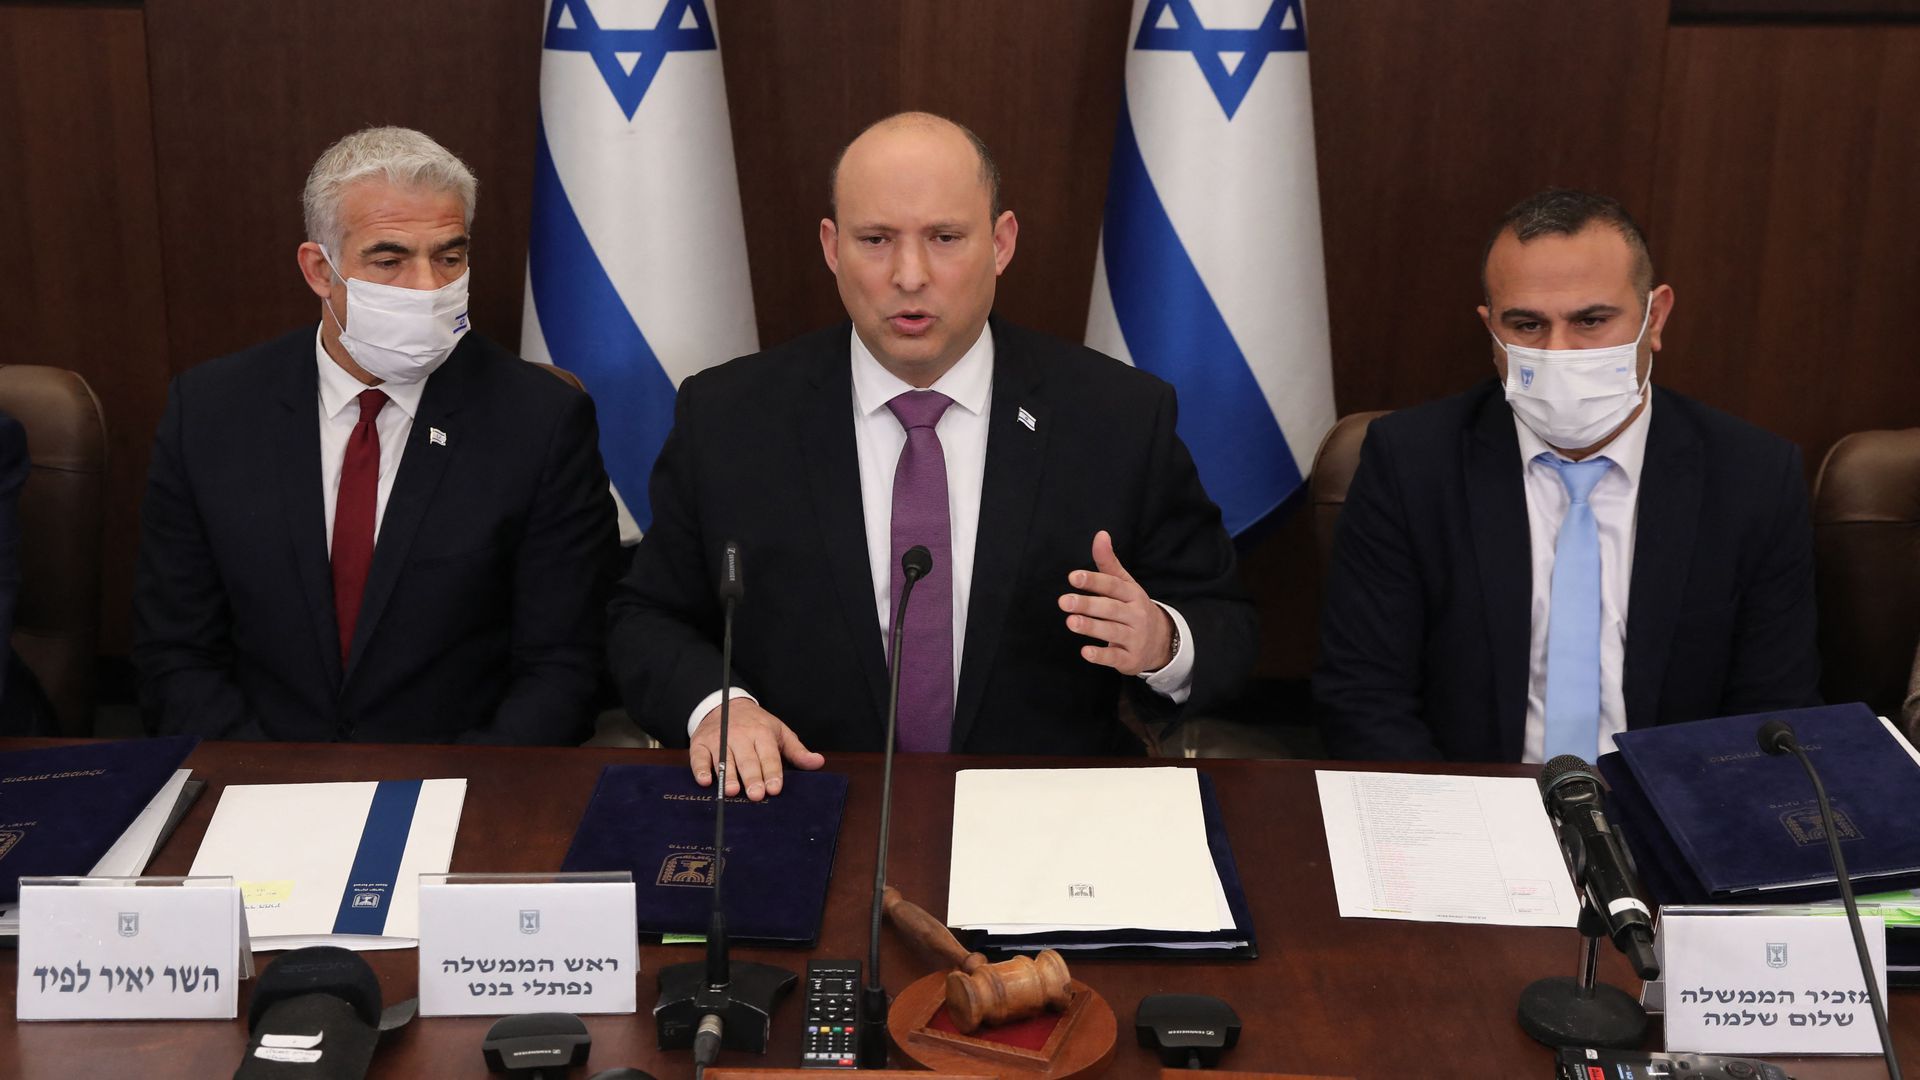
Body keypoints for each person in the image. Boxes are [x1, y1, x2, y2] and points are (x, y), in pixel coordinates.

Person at [609, 112, 1256, 798]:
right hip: (801, 797)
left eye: (945, 238)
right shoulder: (730, 418)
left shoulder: (1116, 416)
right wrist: (720, 707)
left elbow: (1227, 622)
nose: (910, 275)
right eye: (876, 239)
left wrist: (1162, 641)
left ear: (1001, 243)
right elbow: (644, 619)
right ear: (832, 247)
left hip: (1046, 813)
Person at [134, 126, 618, 743]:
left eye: (449, 256)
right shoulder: (209, 412)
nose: (427, 287)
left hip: (465, 788)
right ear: (319, 270)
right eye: (389, 260)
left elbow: (563, 667)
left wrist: (457, 793)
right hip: (256, 785)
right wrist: (263, 788)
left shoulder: (540, 420)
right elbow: (174, 654)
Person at [1315, 188, 1819, 762]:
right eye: (1527, 325)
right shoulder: (1410, 463)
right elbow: (1363, 696)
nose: (1559, 351)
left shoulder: (1753, 476)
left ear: (1654, 317)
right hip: (1473, 811)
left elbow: (1774, 713)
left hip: (1674, 816)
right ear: (1490, 329)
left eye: (1591, 320)